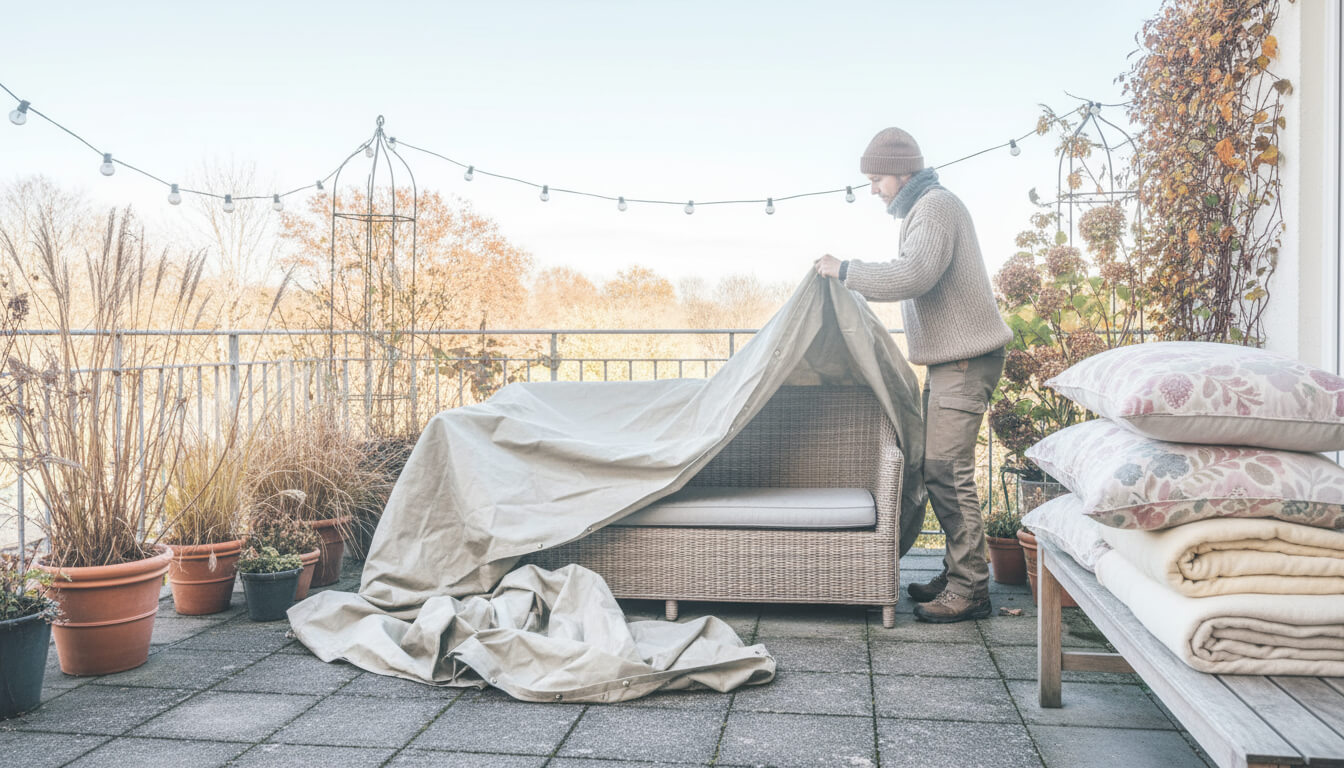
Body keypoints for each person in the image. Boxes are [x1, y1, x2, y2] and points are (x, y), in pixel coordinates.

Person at [814, 127, 1012, 623]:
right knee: (935, 467)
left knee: (947, 470)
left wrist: (845, 270)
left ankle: (971, 589)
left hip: (966, 361)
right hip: (952, 361)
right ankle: (958, 571)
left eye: (877, 179)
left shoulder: (935, 207)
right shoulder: (924, 209)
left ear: (901, 173)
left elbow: (914, 274)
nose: (873, 190)